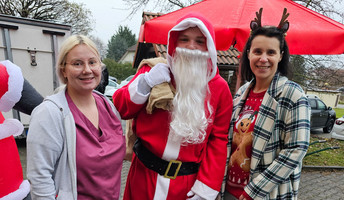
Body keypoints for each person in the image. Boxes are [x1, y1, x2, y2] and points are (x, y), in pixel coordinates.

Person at [113, 13, 233, 200]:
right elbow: (121, 107)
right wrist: (146, 82)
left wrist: (206, 188)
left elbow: (218, 140)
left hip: (185, 186)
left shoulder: (220, 89)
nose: (191, 46)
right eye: (184, 39)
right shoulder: (152, 71)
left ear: (209, 46)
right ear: (173, 42)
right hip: (142, 178)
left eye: (199, 41)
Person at [222, 8, 311, 200]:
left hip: (265, 194)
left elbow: (296, 149)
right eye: (257, 51)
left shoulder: (292, 94)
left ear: (280, 55)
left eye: (271, 52)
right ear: (248, 54)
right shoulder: (241, 93)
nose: (263, 59)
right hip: (229, 191)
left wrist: (253, 191)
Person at [27, 35, 125, 200]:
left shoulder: (108, 106)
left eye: (92, 62)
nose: (87, 70)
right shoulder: (49, 113)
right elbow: (39, 178)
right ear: (63, 70)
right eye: (77, 63)